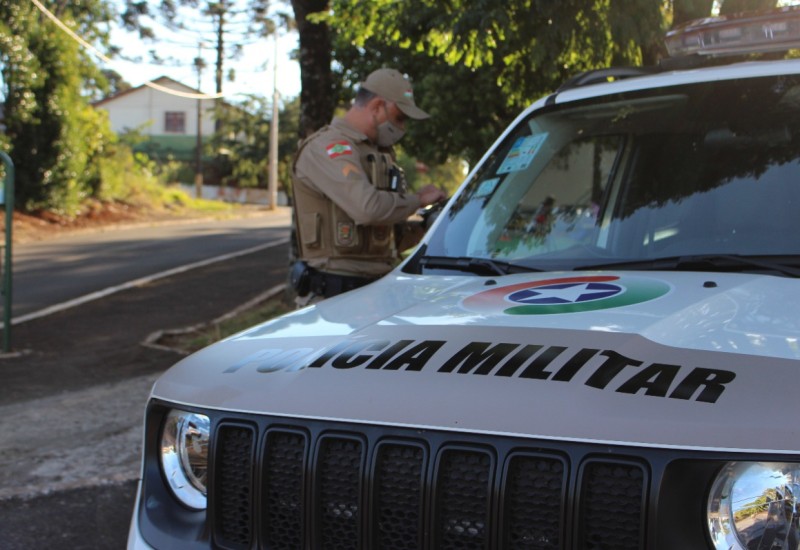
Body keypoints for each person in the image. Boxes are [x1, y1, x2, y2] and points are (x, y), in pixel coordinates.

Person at [290, 68, 446, 303]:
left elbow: (386, 238)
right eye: (399, 117)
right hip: (334, 299)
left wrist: (430, 224)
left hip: (376, 294)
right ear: (376, 106)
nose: (402, 127)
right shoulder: (329, 147)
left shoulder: (378, 155)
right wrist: (417, 200)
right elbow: (368, 208)